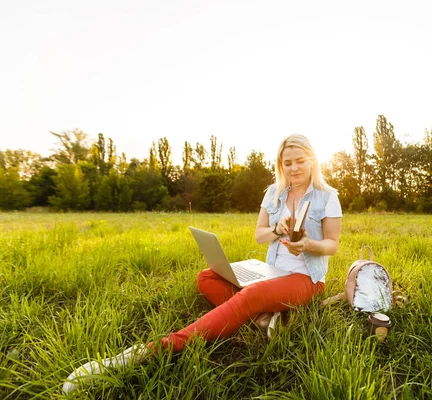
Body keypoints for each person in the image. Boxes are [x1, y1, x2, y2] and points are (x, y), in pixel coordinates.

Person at [62, 134, 342, 394]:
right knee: (207, 277)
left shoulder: (327, 196)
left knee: (251, 294)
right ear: (280, 165)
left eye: (300, 161)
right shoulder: (273, 192)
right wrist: (278, 230)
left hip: (306, 279)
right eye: (287, 162)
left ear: (313, 160)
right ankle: (264, 319)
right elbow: (259, 235)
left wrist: (308, 244)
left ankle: (152, 350)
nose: (294, 168)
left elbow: (332, 244)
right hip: (271, 272)